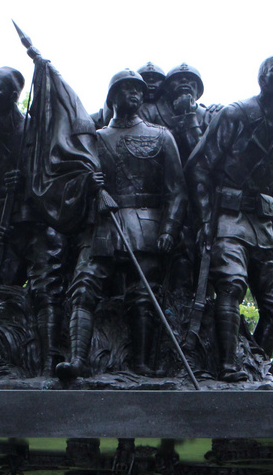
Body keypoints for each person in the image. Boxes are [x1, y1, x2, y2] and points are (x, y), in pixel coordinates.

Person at [57, 69, 187, 380]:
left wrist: (169, 229)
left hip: (146, 226)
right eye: (127, 88)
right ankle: (78, 360)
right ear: (113, 95)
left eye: (139, 90)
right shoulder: (94, 140)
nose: (135, 94)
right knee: (84, 287)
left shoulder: (161, 136)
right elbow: (68, 188)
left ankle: (140, 364)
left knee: (143, 295)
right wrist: (88, 185)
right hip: (104, 226)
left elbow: (177, 191)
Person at [186, 55, 273, 379]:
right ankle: (228, 368)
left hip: (263, 226)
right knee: (231, 286)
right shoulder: (236, 114)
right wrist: (205, 221)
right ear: (263, 78)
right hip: (229, 219)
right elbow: (199, 166)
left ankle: (260, 367)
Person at [0, 66, 68, 377]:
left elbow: (62, 181)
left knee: (49, 292)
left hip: (39, 228)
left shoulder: (41, 133)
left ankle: (50, 365)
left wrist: (30, 184)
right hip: (3, 236)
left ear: (13, 95)